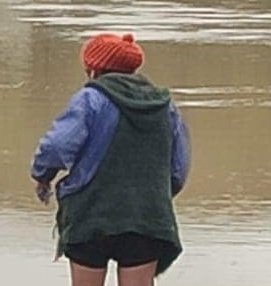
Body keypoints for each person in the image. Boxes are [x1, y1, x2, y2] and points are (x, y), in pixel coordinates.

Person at [30, 33, 190, 286]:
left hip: (91, 215)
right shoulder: (164, 105)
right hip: (146, 216)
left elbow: (56, 147)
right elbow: (178, 168)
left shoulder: (89, 99)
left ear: (93, 68)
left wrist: (42, 176)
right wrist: (153, 197)